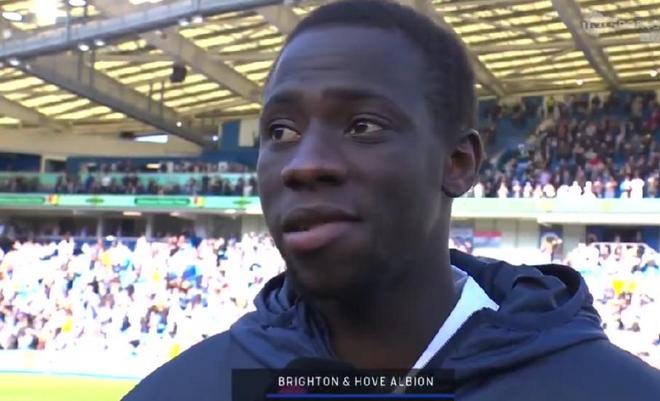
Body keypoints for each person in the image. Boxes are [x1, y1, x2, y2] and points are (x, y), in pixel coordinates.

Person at [121, 1, 660, 401]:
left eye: (363, 125)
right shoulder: (181, 392)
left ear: (458, 163)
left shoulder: (612, 391)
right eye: (280, 131)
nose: (303, 164)